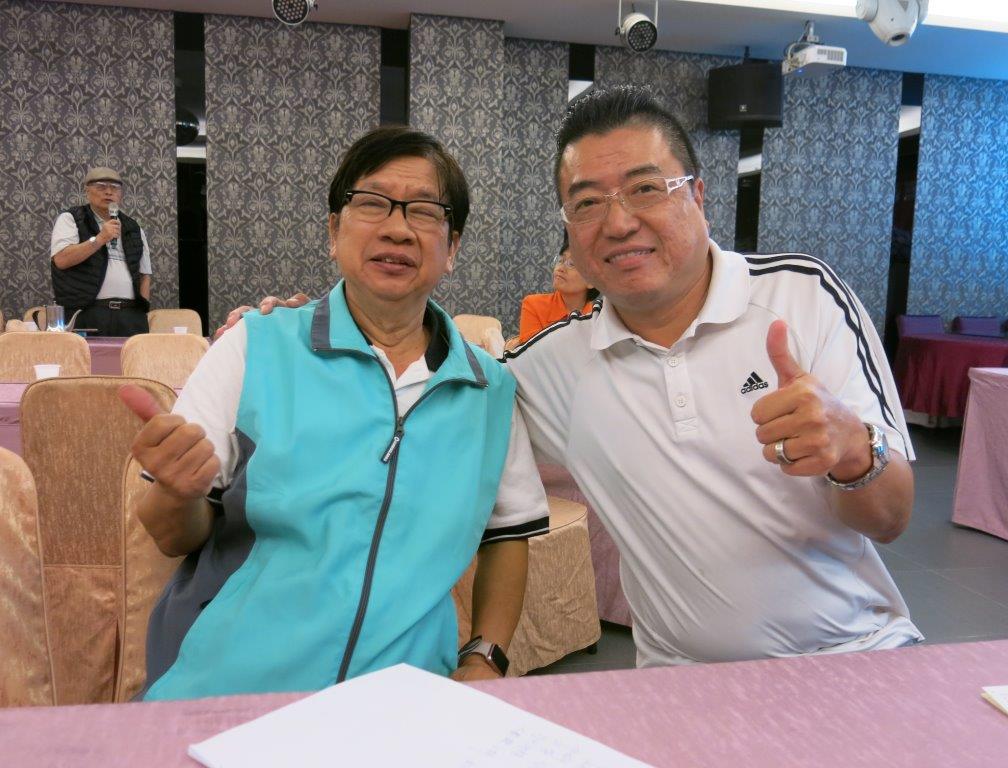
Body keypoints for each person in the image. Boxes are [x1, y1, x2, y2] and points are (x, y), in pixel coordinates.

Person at [222, 86, 922, 668]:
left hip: (857, 654)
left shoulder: (803, 296)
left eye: (645, 188)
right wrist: (300, 330)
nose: (618, 223)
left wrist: (853, 450)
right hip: (678, 679)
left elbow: (891, 518)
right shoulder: (548, 365)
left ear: (698, 195)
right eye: (587, 203)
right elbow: (427, 387)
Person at [119, 127, 549, 701]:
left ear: (452, 248)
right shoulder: (254, 347)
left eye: (424, 211)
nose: (397, 228)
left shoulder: (488, 389)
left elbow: (506, 534)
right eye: (372, 203)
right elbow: (173, 535)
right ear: (333, 231)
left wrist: (485, 657)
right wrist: (177, 492)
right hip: (230, 686)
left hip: (403, 699)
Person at [50, 167, 152, 336]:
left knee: (132, 354)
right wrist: (100, 238)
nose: (109, 192)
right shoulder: (71, 218)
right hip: (87, 312)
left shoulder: (134, 227)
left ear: (121, 194)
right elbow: (61, 259)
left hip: (130, 316)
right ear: (87, 191)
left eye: (115, 188)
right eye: (101, 187)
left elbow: (144, 275)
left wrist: (142, 312)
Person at [517, 232, 598, 342]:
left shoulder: (598, 318)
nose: (560, 268)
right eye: (560, 260)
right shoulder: (534, 305)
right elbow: (531, 351)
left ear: (591, 281)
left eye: (571, 264)